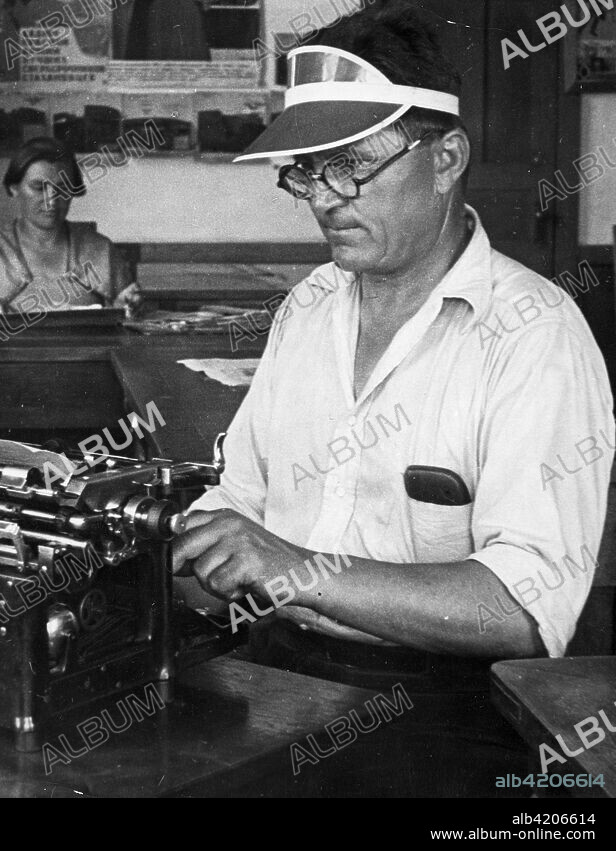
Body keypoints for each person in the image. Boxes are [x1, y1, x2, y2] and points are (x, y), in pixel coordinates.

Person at [172, 6, 614, 796]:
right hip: (275, 667)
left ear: (446, 158)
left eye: (351, 166)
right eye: (307, 169)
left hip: (446, 709)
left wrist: (294, 566)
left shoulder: (535, 334)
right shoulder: (307, 306)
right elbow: (238, 500)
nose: (323, 198)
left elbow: (522, 608)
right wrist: (148, 548)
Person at [0, 138, 140, 320]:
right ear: (14, 188)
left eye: (62, 189)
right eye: (38, 188)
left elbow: (128, 309)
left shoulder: (99, 250)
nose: (51, 200)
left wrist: (128, 307)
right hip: (9, 368)